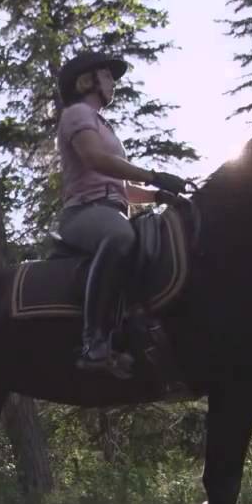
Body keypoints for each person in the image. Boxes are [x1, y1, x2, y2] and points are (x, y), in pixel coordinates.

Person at [54, 51, 191, 378]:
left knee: (140, 237)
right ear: (88, 80)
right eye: (108, 76)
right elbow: (95, 160)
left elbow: (119, 186)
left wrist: (159, 195)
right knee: (120, 236)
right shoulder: (76, 113)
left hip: (110, 209)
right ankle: (92, 341)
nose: (113, 83)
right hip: (83, 213)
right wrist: (154, 176)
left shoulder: (102, 124)